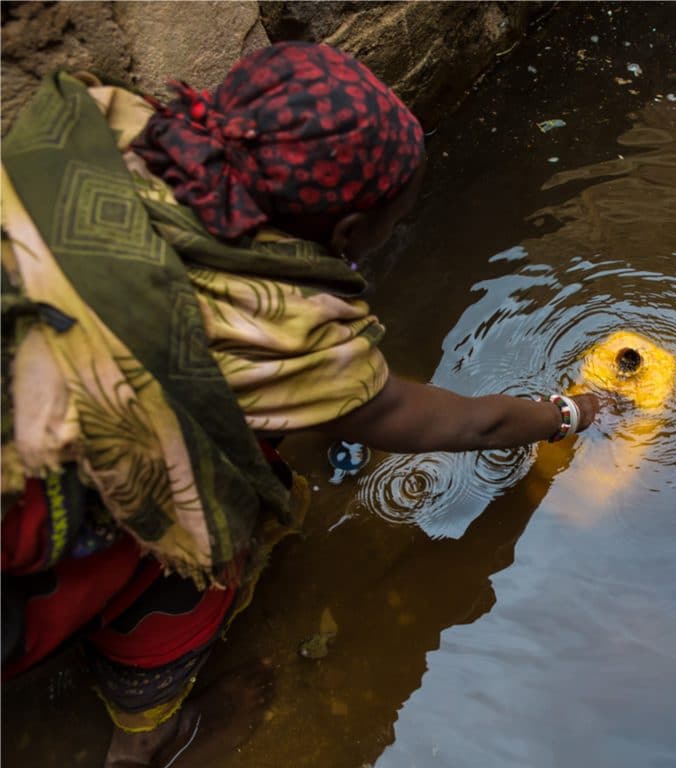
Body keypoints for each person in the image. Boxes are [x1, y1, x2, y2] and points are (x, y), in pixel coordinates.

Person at [1, 42, 601, 767]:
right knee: (197, 540)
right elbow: (465, 423)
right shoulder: (282, 335)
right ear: (349, 234)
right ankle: (154, 737)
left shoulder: (99, 129)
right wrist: (567, 412)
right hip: (26, 524)